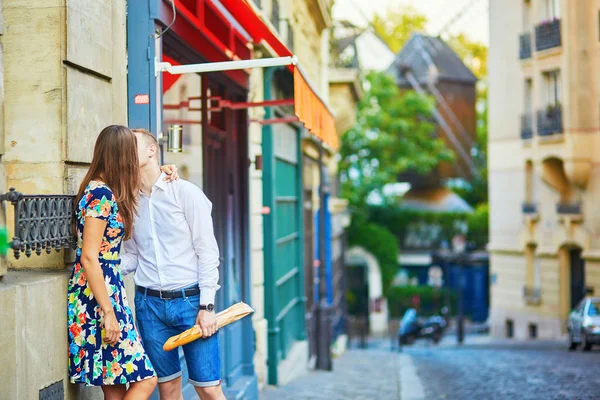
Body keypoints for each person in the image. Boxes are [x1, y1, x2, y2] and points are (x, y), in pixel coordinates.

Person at [67, 125, 178, 399]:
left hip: (105, 289)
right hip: (98, 297)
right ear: (120, 155)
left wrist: (163, 170)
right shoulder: (101, 194)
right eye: (130, 151)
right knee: (147, 379)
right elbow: (90, 256)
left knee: (115, 388)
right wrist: (108, 312)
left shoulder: (104, 189)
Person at [120, 128, 224, 400]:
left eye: (131, 145)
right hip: (148, 306)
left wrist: (207, 306)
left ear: (152, 150)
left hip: (190, 303)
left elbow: (208, 252)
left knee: (209, 388)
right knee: (167, 388)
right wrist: (101, 266)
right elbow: (132, 255)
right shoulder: (128, 202)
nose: (124, 150)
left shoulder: (186, 193)